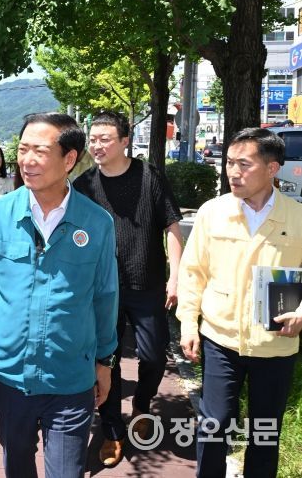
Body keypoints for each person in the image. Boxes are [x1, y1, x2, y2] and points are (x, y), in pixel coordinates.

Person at [0, 112, 119, 478]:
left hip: (71, 377)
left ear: (69, 159)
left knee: (67, 471)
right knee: (17, 464)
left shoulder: (97, 223)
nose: (27, 160)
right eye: (22, 149)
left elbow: (105, 296)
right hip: (10, 376)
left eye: (40, 151)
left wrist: (105, 361)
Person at [177, 127, 302, 478]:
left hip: (275, 343)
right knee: (214, 425)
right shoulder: (212, 212)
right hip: (221, 338)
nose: (233, 171)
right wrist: (188, 323)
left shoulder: (297, 217)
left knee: (265, 431)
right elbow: (193, 271)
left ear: (272, 168)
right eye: (230, 163)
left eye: (244, 164)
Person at [72, 111, 184, 467]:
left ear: (124, 141)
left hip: (147, 283)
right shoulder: (84, 185)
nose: (97, 145)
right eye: (93, 139)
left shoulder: (150, 176)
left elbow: (172, 228)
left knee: (154, 356)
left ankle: (142, 403)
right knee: (107, 359)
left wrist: (175, 276)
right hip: (102, 288)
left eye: (105, 139)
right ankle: (112, 430)